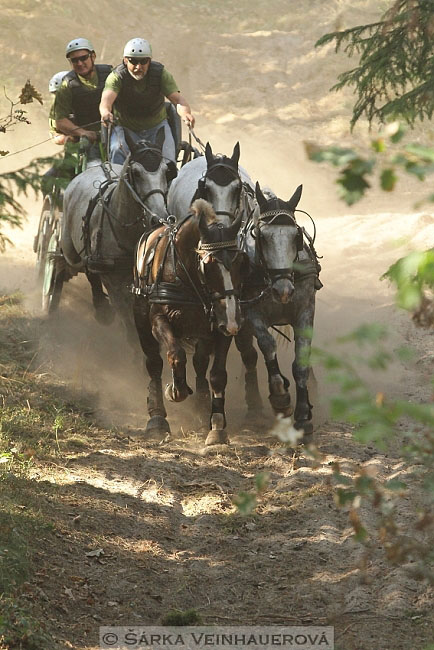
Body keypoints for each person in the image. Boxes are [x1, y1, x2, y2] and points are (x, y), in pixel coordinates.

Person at [99, 37, 195, 165]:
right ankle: (118, 183)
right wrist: (105, 112)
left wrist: (186, 114)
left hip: (157, 128)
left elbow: (178, 100)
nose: (138, 67)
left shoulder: (160, 74)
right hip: (125, 128)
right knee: (117, 151)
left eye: (143, 61)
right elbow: (106, 101)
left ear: (149, 61)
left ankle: (170, 184)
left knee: (168, 158)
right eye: (133, 61)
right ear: (125, 60)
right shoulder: (116, 77)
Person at [53, 37, 112, 164]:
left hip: (116, 134)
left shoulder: (110, 75)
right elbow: (60, 121)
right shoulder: (66, 86)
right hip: (90, 141)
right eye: (74, 60)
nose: (79, 63)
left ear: (93, 56)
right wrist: (83, 133)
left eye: (83, 58)